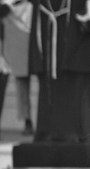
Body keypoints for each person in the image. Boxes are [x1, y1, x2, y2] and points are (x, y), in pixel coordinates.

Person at [29, 0, 90, 142]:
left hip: (74, 56)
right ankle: (50, 132)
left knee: (76, 95)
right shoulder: (41, 4)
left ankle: (74, 133)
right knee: (50, 95)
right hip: (50, 57)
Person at [0, 0, 35, 136]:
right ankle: (28, 121)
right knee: (22, 89)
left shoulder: (32, 6)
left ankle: (31, 122)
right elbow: (4, 32)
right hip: (19, 49)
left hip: (30, 48)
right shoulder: (5, 8)